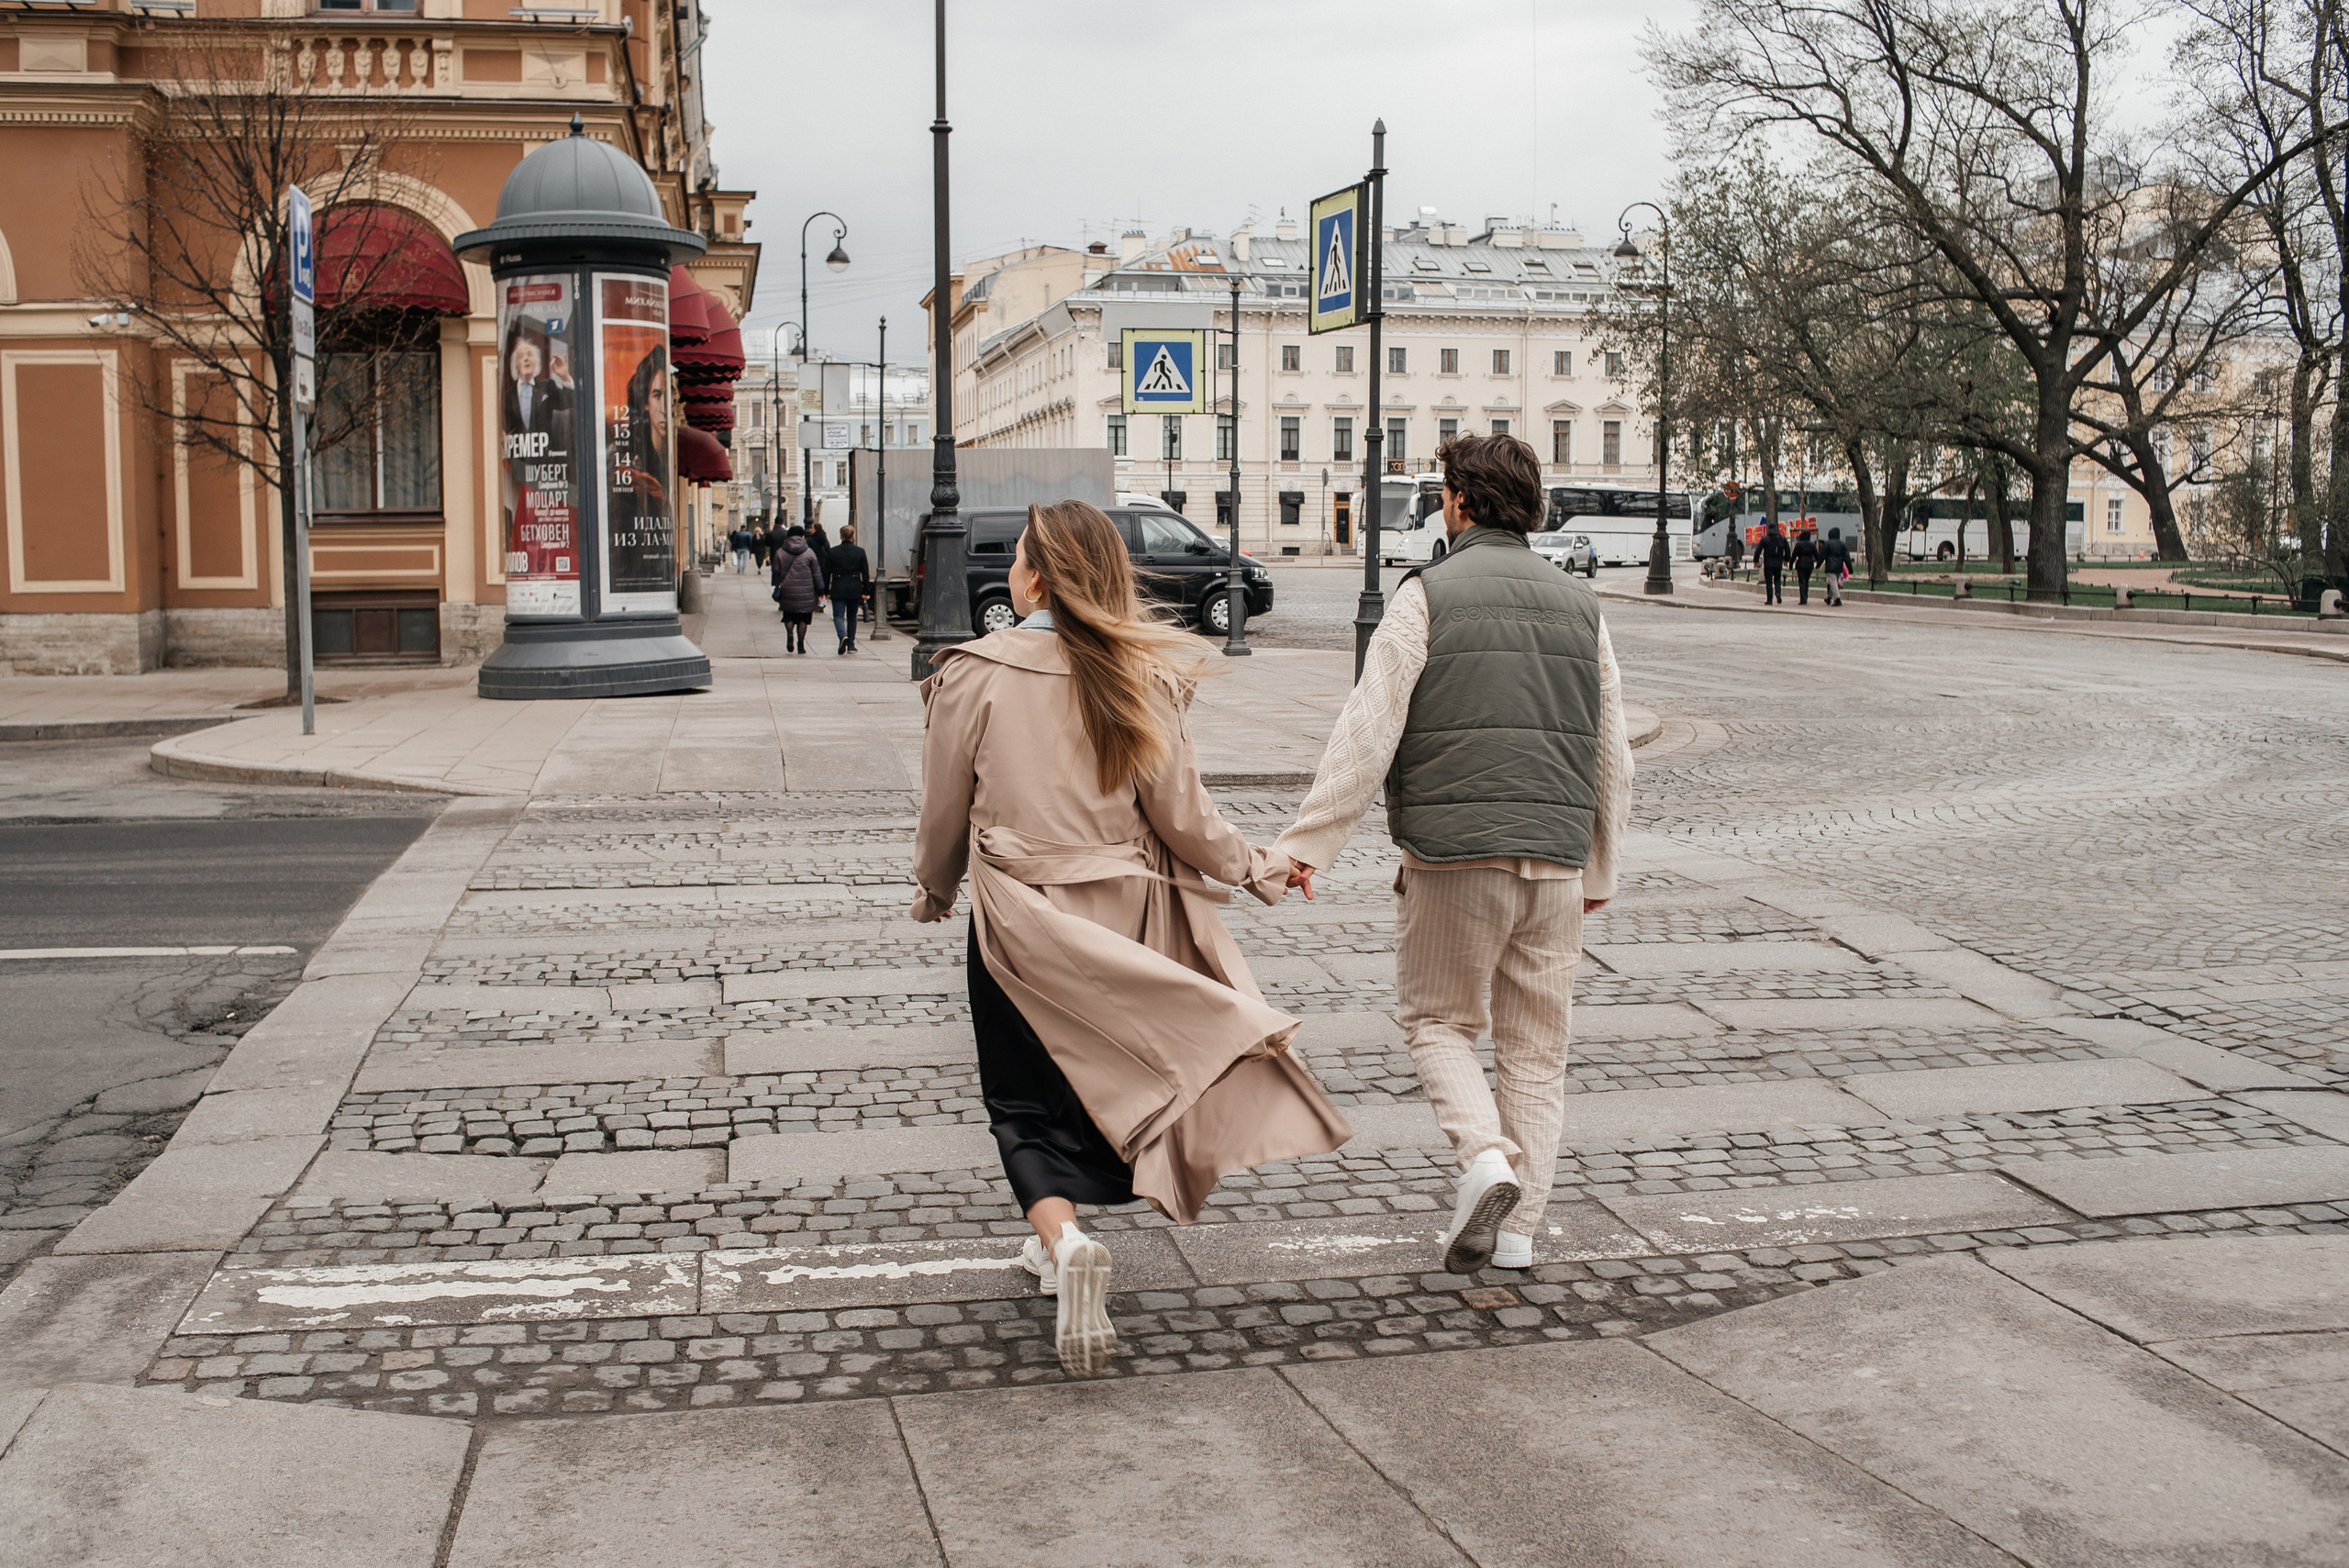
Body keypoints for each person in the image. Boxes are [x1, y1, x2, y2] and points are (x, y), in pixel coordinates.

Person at [912, 499, 1350, 1376]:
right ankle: (1061, 1239)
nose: (1011, 569)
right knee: (1101, 1085)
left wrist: (936, 887)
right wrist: (1263, 866)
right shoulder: (1136, 677)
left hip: (1020, 920)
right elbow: (1187, 821)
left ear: (1036, 576)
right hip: (1123, 918)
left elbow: (944, 811)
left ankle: (1064, 1243)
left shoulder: (976, 672)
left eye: (1021, 557)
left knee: (1021, 1099)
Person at [1276, 433, 1632, 1275]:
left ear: (1462, 502)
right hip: (1554, 860)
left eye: (1445, 489)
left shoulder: (1426, 594)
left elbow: (1368, 731)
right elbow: (1612, 748)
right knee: (1537, 1050)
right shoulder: (1584, 606)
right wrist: (1602, 865)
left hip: (1450, 856)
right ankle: (1518, 1235)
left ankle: (1484, 1160)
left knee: (1438, 1019)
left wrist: (1308, 844)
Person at [771, 524, 824, 653]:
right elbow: (816, 573)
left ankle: (790, 634)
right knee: (803, 618)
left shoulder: (780, 552)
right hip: (806, 591)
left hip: (788, 590)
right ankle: (801, 644)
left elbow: (776, 571)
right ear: (802, 536)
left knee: (788, 616)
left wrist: (777, 584)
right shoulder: (809, 552)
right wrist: (821, 589)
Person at [827, 523, 872, 655]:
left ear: (841, 536)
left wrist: (823, 590)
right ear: (853, 536)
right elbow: (866, 573)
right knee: (852, 616)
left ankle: (842, 635)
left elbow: (826, 571)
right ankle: (851, 644)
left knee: (838, 616)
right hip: (854, 586)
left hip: (838, 586)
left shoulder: (833, 551)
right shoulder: (860, 551)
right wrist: (866, 591)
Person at [1757, 521, 1790, 605]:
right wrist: (1786, 559)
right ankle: (1778, 593)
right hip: (1778, 563)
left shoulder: (1765, 539)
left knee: (1769, 582)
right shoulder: (1782, 538)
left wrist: (1755, 560)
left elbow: (1758, 550)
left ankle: (1769, 600)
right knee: (1777, 580)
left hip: (1768, 564)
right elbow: (1788, 549)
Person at [1821, 527, 1853, 606]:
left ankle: (1838, 599)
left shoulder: (1827, 543)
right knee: (1834, 582)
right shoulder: (1842, 544)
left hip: (1830, 565)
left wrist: (1818, 564)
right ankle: (1829, 598)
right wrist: (1850, 568)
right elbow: (1847, 557)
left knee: (1833, 581)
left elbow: (1822, 555)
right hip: (1839, 565)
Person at [1792, 528, 1820, 606]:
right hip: (1809, 564)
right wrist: (1818, 564)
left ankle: (1803, 598)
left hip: (1800, 563)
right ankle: (1806, 596)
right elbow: (1817, 555)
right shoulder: (1812, 545)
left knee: (1801, 581)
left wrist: (1791, 564)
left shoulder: (1799, 544)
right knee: (1806, 581)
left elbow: (1794, 555)